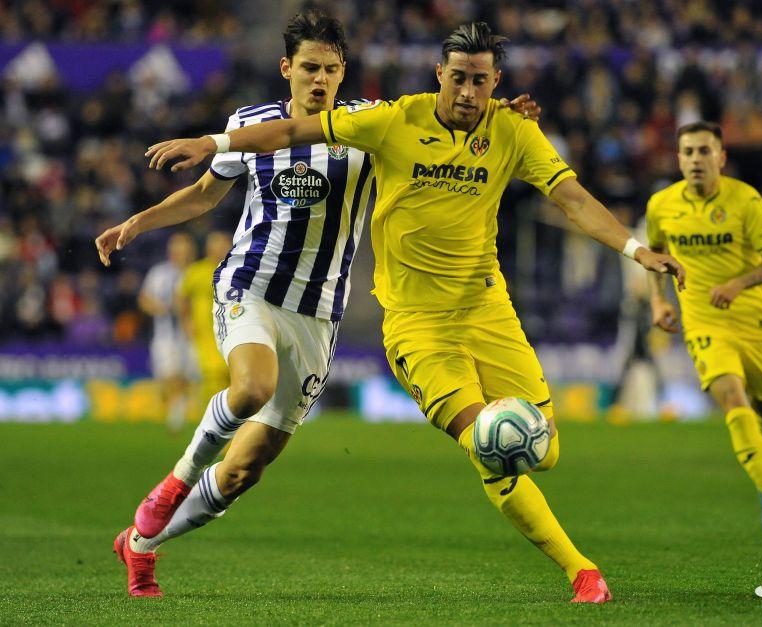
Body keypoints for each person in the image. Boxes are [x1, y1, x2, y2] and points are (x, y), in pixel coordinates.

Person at [145, 22, 685, 604]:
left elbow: (572, 198)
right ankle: (583, 573)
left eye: (480, 81)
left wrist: (636, 250)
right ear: (439, 76)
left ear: (495, 82)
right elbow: (294, 128)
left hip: (487, 311)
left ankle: (148, 536)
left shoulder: (513, 131)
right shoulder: (395, 120)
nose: (467, 92)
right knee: (489, 443)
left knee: (544, 450)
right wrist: (216, 143)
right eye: (457, 78)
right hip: (416, 326)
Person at [98, 12, 539, 598]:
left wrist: (499, 116)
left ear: (343, 73)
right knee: (250, 389)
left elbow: (443, 126)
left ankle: (141, 544)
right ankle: (170, 487)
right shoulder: (251, 124)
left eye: (331, 69)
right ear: (287, 68)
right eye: (309, 67)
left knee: (241, 471)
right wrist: (137, 223)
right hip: (249, 288)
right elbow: (206, 194)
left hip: (318, 313)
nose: (319, 80)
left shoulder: (367, 128)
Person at [643, 121, 762, 542]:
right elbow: (655, 257)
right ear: (678, 159)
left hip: (756, 322)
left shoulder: (746, 200)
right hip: (704, 322)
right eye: (688, 152)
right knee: (730, 396)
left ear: (721, 158)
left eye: (704, 151)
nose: (696, 160)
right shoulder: (661, 205)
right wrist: (658, 301)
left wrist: (737, 283)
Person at [138, 231, 197, 431]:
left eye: (183, 247)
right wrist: (159, 308)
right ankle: (175, 407)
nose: (179, 252)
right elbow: (144, 299)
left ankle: (178, 413)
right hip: (165, 336)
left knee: (184, 377)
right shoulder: (159, 273)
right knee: (167, 378)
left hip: (193, 336)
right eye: (176, 247)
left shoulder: (198, 272)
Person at [176, 231, 233, 420]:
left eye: (223, 243)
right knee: (214, 377)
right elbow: (181, 298)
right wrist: (186, 322)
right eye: (216, 244)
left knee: (234, 379)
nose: (220, 248)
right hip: (206, 336)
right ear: (209, 248)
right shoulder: (196, 271)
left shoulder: (234, 269)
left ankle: (232, 428)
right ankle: (213, 427)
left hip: (232, 332)